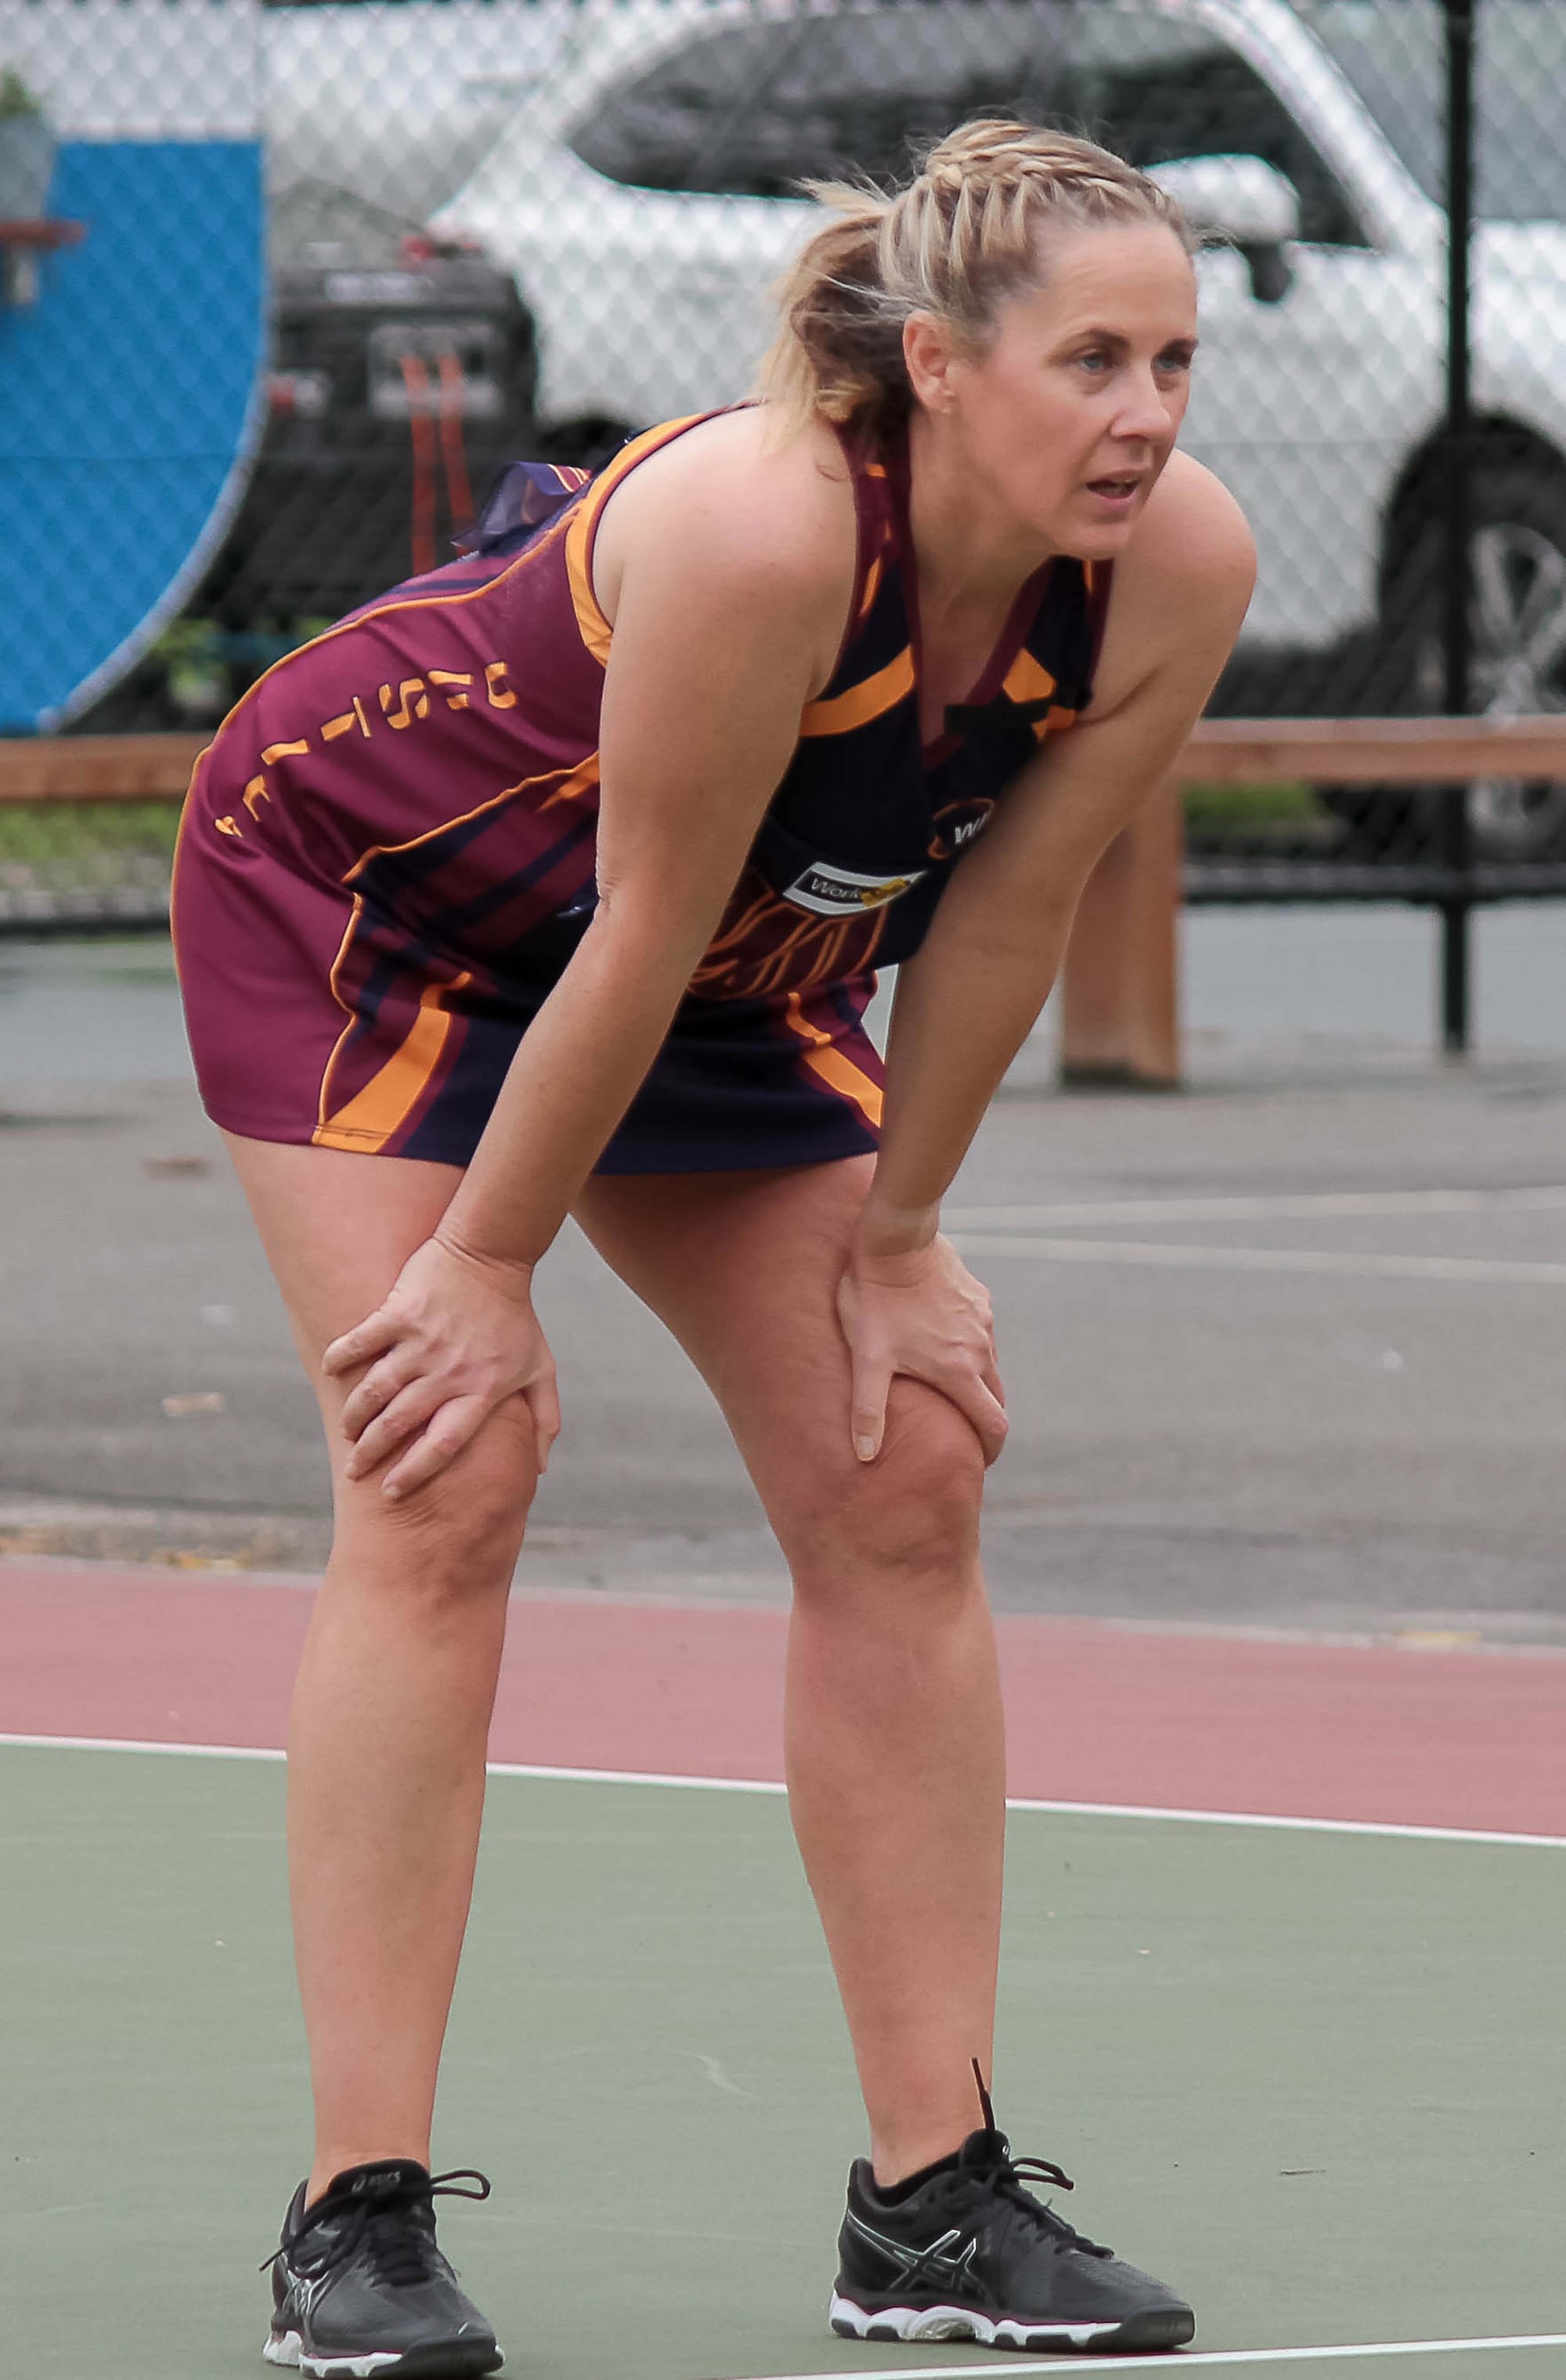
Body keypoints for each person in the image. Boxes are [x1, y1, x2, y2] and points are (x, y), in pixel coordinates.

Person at [172, 117, 1253, 2376]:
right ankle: (351, 2217)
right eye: (1092, 361)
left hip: (710, 970)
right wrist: (479, 1267)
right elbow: (630, 920)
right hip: (372, 910)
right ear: (940, 366)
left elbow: (1010, 910)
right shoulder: (767, 532)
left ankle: (930, 2209)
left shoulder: (1173, 572)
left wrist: (907, 1236)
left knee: (906, 1462)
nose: (1146, 412)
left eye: (1174, 357)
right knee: (446, 1467)